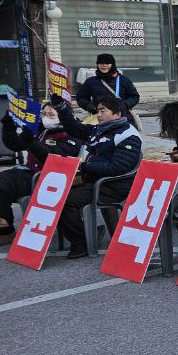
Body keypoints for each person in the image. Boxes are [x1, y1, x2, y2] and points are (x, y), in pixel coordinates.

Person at [53, 95, 143, 258]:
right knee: (56, 194)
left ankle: (81, 242)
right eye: (97, 111)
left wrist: (85, 166)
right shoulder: (100, 129)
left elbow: (118, 167)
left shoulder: (128, 134)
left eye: (103, 111)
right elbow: (76, 129)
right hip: (95, 181)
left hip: (114, 186)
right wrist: (63, 109)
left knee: (65, 201)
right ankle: (86, 234)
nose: (99, 115)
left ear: (117, 113)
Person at [0, 104, 85, 244]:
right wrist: (8, 126)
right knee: (0, 181)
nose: (46, 117)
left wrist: (31, 141)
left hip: (52, 178)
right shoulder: (40, 129)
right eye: (44, 114)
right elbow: (15, 145)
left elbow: (53, 157)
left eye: (50, 114)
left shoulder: (73, 132)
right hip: (32, 172)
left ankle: (3, 230)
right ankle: (3, 229)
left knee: (4, 183)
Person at [76, 54, 140, 123]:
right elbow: (81, 97)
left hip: (122, 118)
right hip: (99, 119)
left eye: (107, 63)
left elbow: (134, 96)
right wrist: (90, 107)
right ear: (97, 65)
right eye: (101, 63)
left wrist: (124, 105)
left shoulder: (123, 80)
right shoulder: (91, 81)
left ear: (112, 64)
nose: (104, 65)